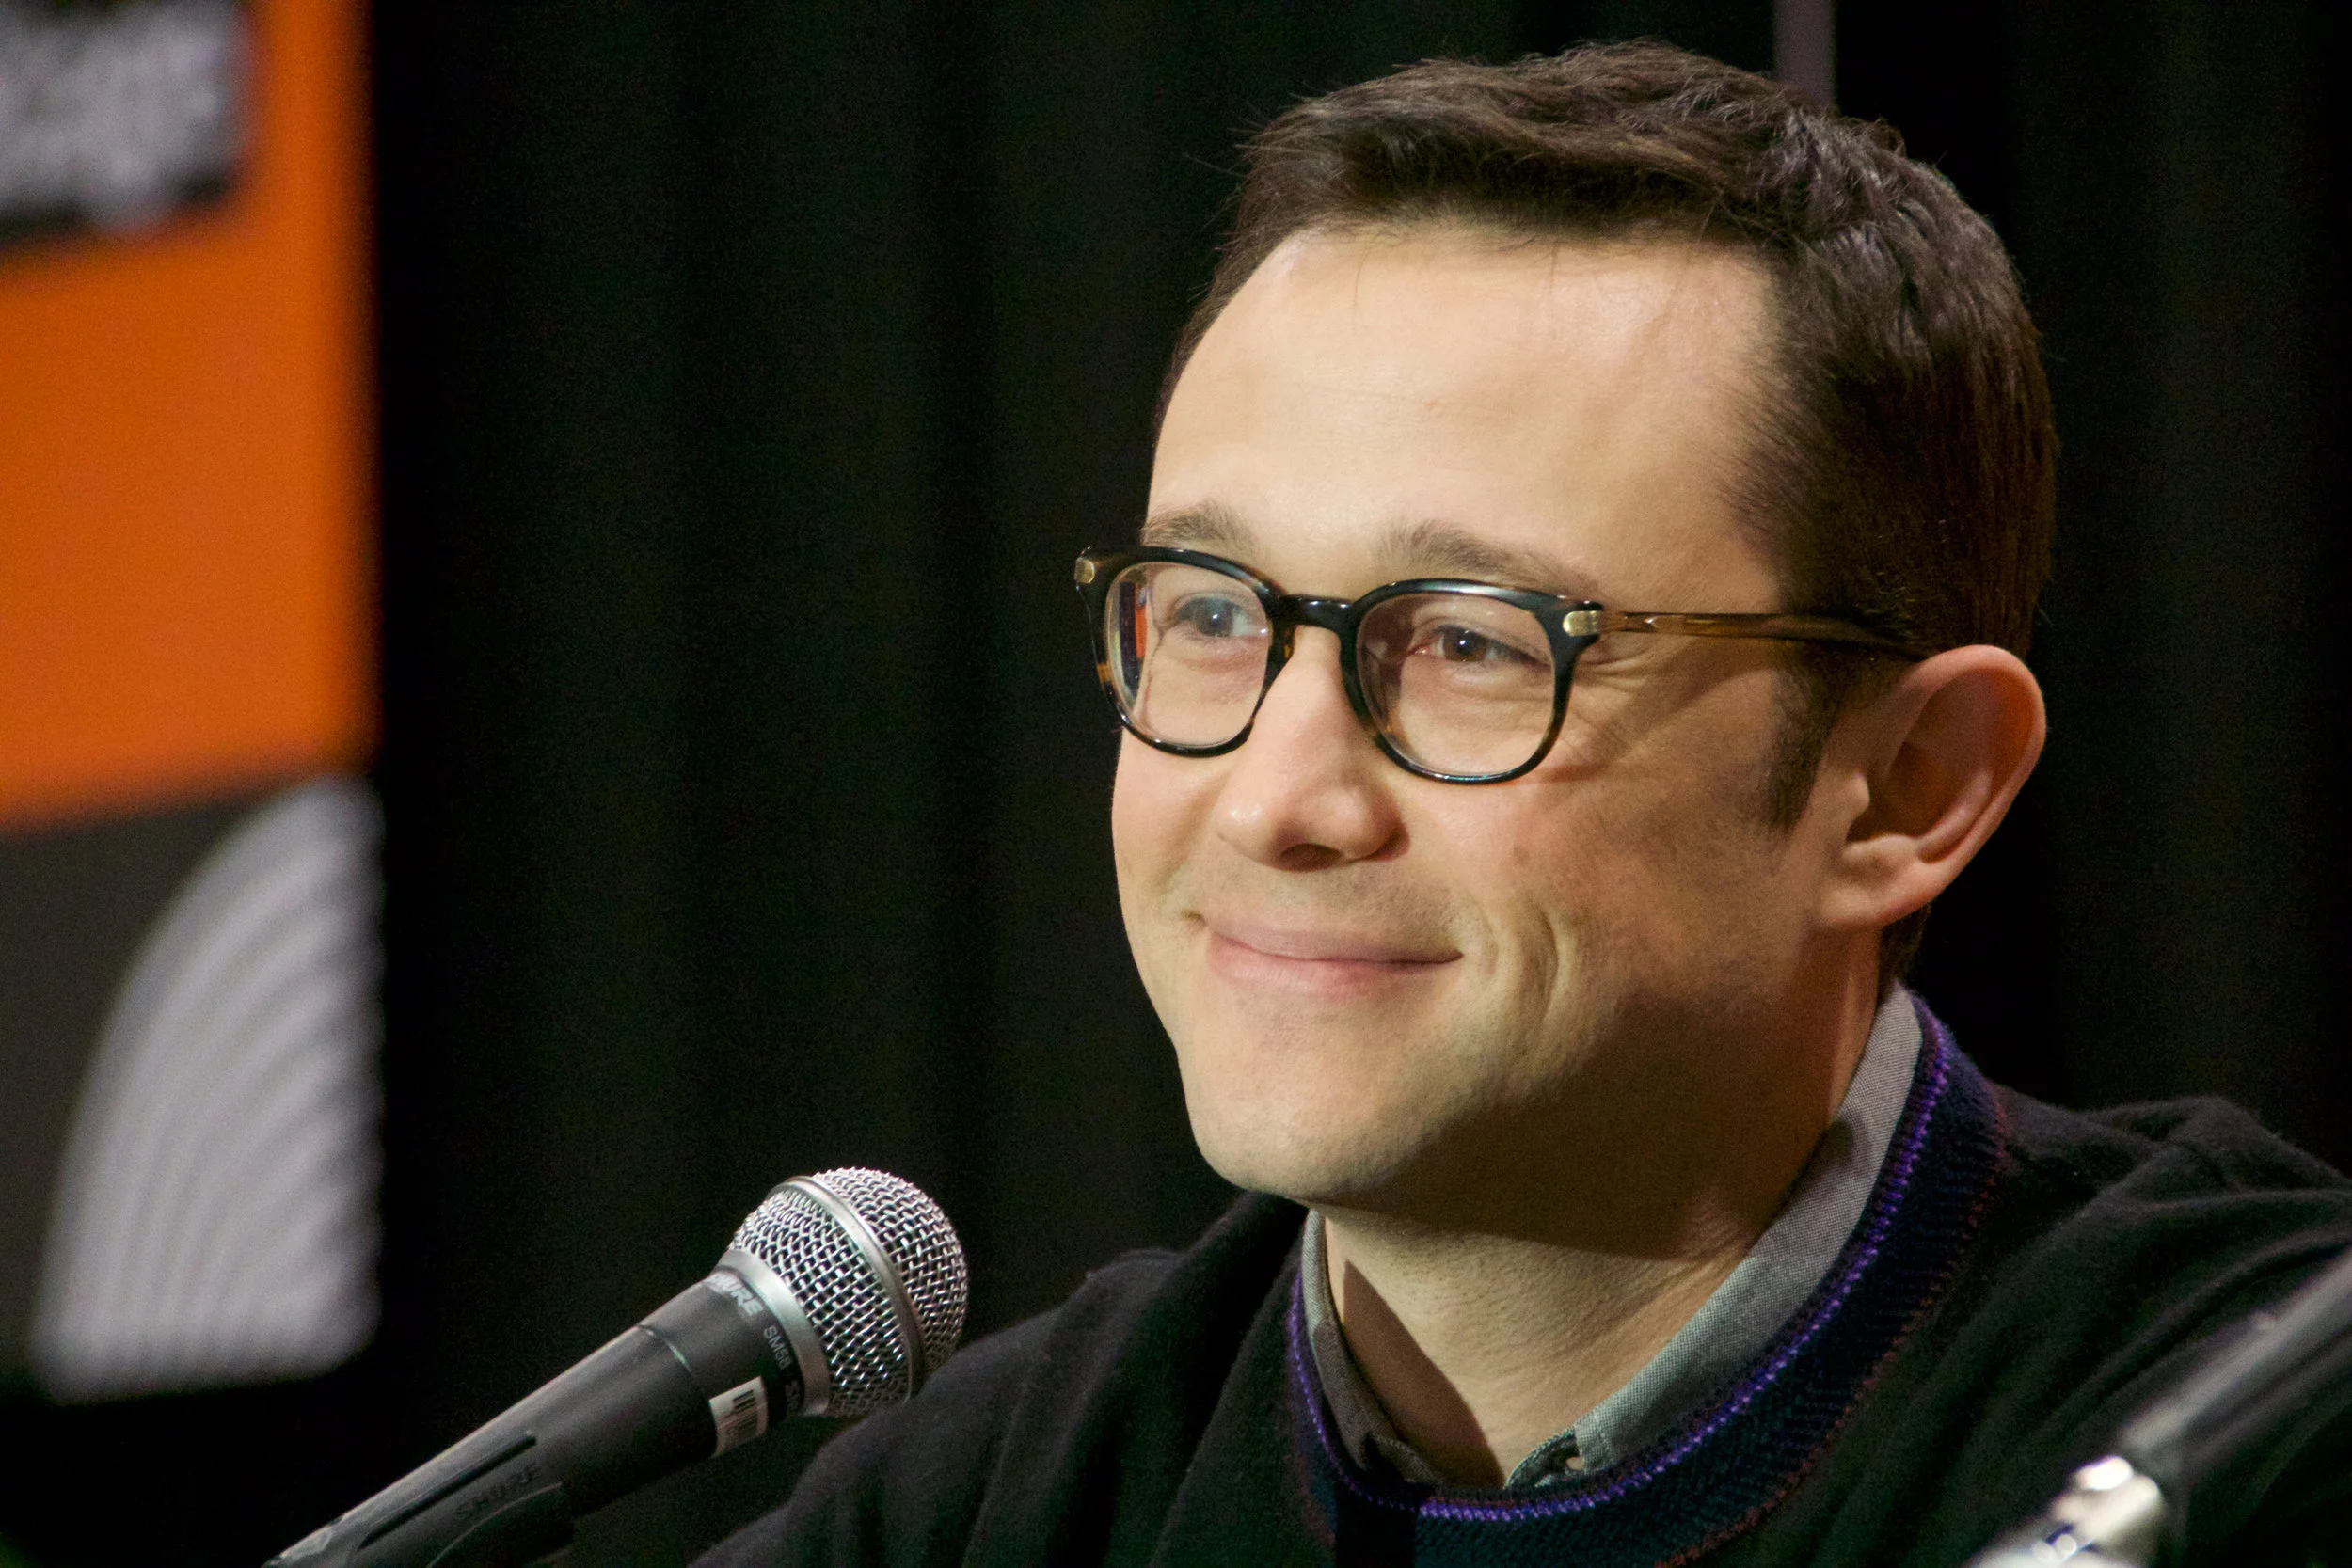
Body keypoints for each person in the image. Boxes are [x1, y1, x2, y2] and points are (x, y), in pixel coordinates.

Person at [701, 42, 2352, 1566]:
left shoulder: (2256, 1432)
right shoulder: (999, 1506)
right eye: (1210, 613)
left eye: (1478, 645)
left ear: (1905, 791)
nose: (1279, 798)